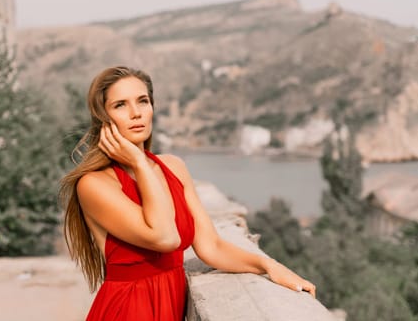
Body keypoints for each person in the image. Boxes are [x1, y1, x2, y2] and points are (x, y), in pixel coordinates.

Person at [59, 66, 316, 321]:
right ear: (104, 119)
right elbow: (164, 237)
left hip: (171, 307)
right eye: (120, 105)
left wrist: (269, 266)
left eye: (143, 101)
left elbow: (211, 247)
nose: (136, 113)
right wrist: (138, 162)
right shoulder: (93, 184)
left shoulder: (174, 167)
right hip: (127, 310)